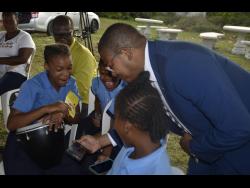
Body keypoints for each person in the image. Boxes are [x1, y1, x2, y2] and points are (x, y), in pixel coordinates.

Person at [78, 23, 250, 175]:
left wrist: (194, 148)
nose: (111, 72)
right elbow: (139, 122)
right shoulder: (146, 73)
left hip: (239, 153)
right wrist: (100, 140)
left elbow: (240, 126)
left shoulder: (183, 64)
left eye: (110, 65)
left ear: (126, 53)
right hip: (207, 149)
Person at [3, 44, 85, 175]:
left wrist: (61, 113)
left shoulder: (71, 83)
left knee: (76, 171)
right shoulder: (32, 86)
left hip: (52, 143)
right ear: (46, 66)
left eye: (69, 68)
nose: (66, 74)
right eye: (59, 69)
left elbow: (76, 118)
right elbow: (12, 124)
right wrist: (47, 109)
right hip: (23, 144)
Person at [104, 71, 172, 175]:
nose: (115, 125)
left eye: (116, 118)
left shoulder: (156, 171)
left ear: (127, 127)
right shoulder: (131, 148)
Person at [51, 15, 97, 118]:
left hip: (82, 104)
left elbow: (81, 90)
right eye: (58, 34)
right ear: (53, 33)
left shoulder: (84, 55)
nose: (62, 38)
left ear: (73, 32)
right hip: (61, 98)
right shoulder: (54, 52)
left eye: (67, 34)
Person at [0, 12, 35, 95]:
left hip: (17, 74)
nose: (8, 24)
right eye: (5, 21)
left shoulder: (24, 37)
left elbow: (22, 59)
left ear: (17, 20)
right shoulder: (1, 35)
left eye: (11, 21)